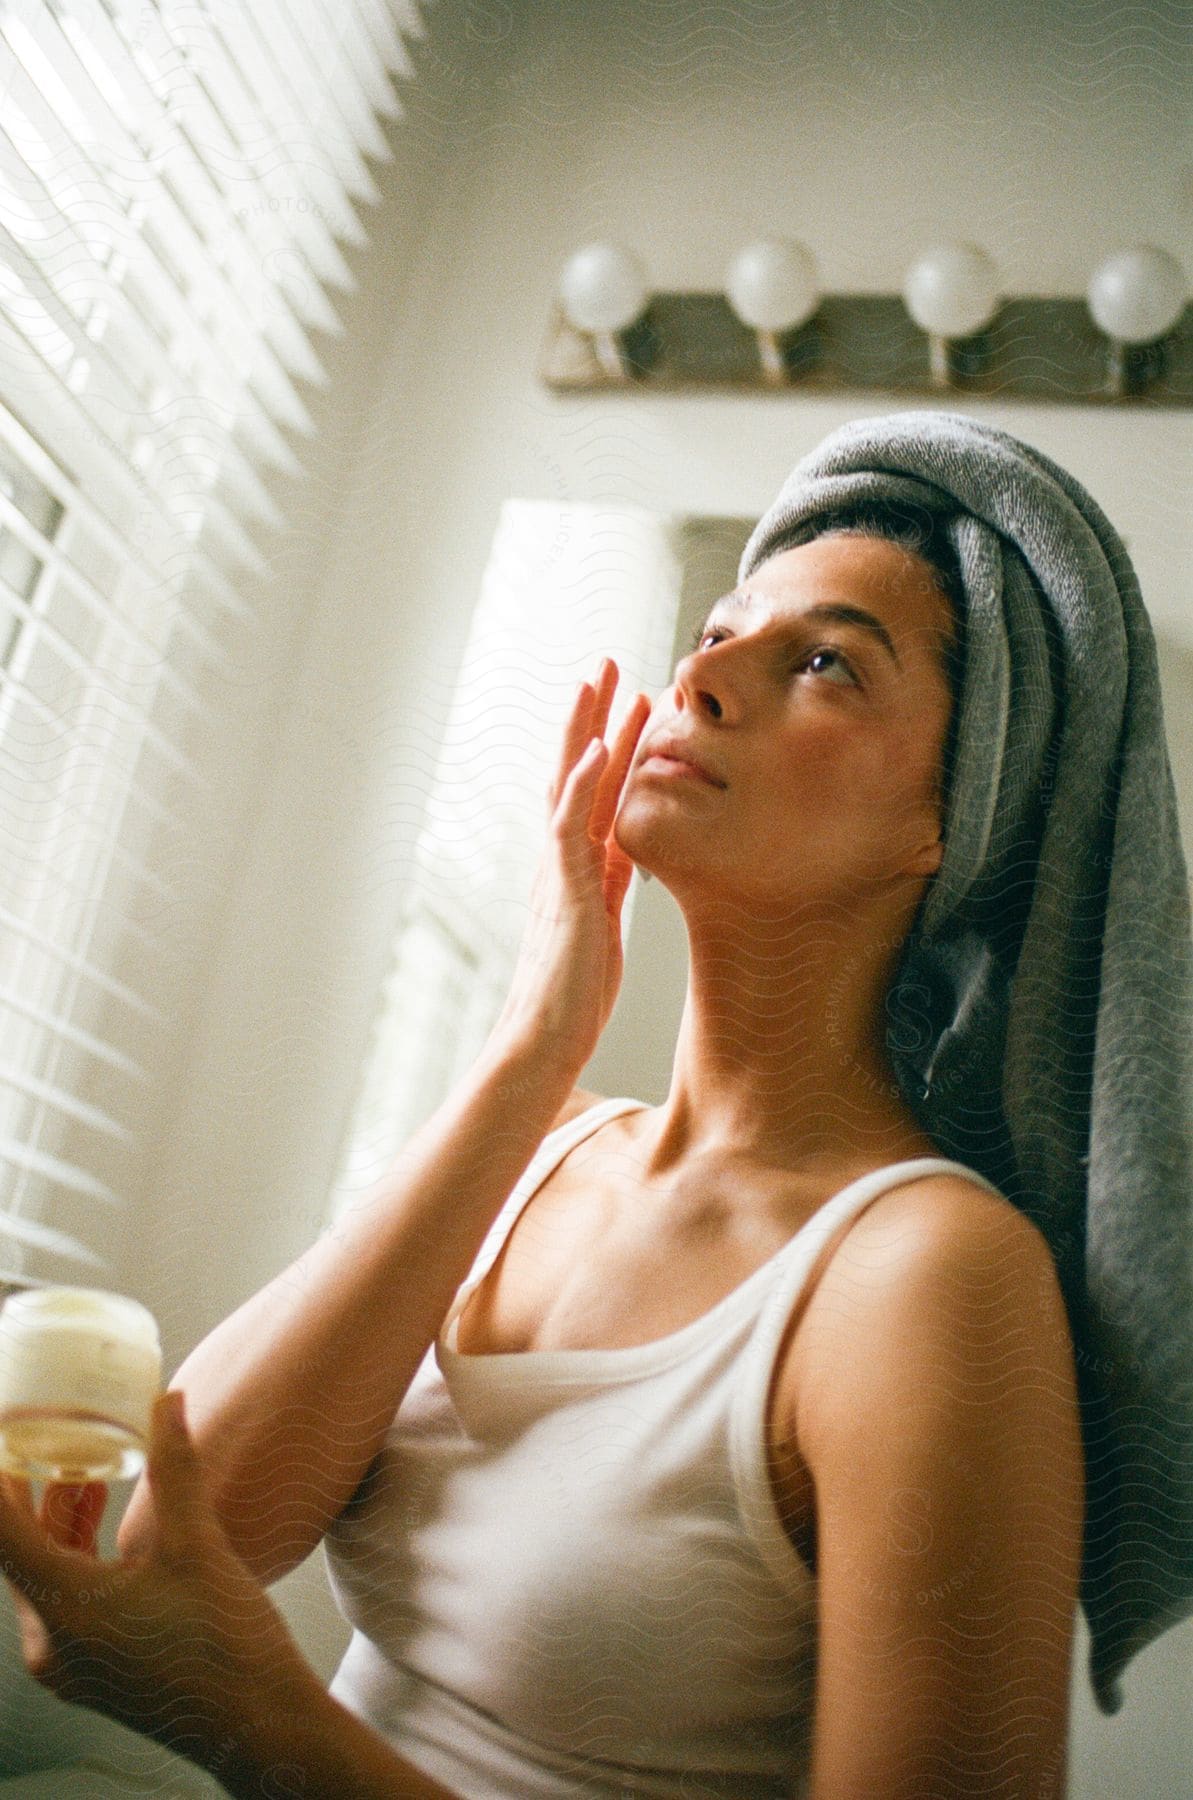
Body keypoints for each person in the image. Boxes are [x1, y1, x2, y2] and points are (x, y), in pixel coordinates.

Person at [2, 411, 1189, 1798]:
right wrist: (530, 1048)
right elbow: (179, 1543)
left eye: (822, 664)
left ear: (953, 818)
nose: (703, 677)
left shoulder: (926, 1280)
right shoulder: (542, 1147)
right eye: (715, 629)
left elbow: (205, 1663)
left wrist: (254, 1720)